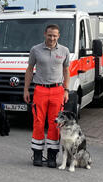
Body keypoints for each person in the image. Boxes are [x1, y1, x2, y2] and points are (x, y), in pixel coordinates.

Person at [23, 24, 70, 167]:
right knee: (38, 122)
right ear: (45, 34)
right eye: (49, 35)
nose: (52, 38)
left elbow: (66, 71)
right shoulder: (35, 50)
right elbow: (30, 70)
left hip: (57, 91)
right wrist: (26, 89)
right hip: (40, 90)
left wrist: (66, 90)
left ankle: (51, 156)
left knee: (55, 124)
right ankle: (37, 154)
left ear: (58, 36)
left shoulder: (64, 50)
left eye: (55, 35)